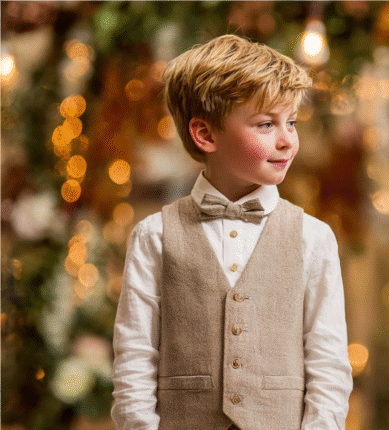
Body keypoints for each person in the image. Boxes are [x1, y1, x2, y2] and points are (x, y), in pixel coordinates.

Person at [111, 34, 353, 430]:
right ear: (205, 135)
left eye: (290, 122)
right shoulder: (153, 236)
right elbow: (134, 358)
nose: (286, 140)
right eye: (265, 124)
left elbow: (328, 363)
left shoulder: (314, 237)